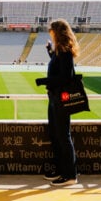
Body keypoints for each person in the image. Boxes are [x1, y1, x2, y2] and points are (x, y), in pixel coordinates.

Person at [35, 19, 80, 187]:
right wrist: (50, 51)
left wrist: (45, 81)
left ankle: (70, 175)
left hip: (61, 99)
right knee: (55, 134)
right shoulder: (59, 50)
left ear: (57, 32)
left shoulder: (65, 51)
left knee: (63, 136)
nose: (49, 33)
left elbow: (65, 77)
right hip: (54, 98)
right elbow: (58, 66)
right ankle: (62, 170)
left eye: (51, 30)